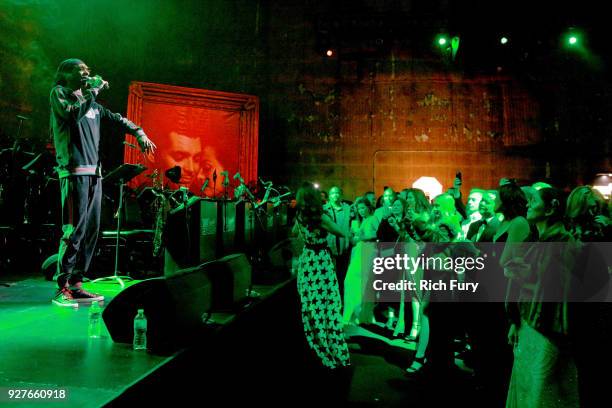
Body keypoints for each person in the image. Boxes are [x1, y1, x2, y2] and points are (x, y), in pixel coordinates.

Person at [50, 58, 156, 306]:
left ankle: (76, 284)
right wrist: (93, 91)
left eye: (88, 70)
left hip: (94, 173)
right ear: (66, 74)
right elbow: (72, 115)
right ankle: (61, 287)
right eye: (81, 70)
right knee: (73, 230)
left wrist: (139, 132)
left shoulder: (92, 105)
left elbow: (117, 119)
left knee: (90, 231)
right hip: (74, 171)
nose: (87, 73)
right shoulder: (60, 94)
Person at [293, 182, 350, 369]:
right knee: (328, 304)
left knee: (311, 304)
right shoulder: (321, 217)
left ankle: (313, 341)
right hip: (322, 262)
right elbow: (340, 232)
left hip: (307, 261)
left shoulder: (299, 216)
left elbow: (294, 233)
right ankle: (328, 344)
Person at [323, 186, 352, 298]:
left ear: (341, 195)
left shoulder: (348, 209)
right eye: (332, 193)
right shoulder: (324, 209)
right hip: (329, 249)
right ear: (329, 196)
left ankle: (341, 298)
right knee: (330, 276)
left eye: (337, 193)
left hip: (344, 248)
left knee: (343, 276)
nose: (335, 195)